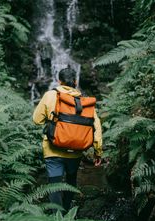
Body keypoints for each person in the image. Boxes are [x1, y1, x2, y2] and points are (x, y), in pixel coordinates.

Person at [32, 67, 103, 212]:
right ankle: (67, 210)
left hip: (53, 149)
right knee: (71, 181)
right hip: (75, 151)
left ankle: (58, 219)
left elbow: (36, 120)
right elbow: (96, 127)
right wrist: (98, 152)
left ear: (59, 81)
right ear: (75, 82)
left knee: (55, 183)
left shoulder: (51, 95)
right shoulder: (84, 101)